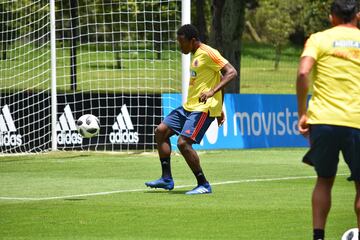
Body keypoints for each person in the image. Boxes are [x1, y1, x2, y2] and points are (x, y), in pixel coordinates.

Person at [145, 24, 237, 195]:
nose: (180, 46)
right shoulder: (195, 55)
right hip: (189, 106)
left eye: (182, 42)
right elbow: (216, 77)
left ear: (193, 40)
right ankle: (166, 179)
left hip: (202, 108)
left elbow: (231, 72)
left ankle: (203, 184)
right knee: (160, 131)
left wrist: (212, 95)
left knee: (183, 143)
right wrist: (220, 106)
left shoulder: (210, 53)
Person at [296, 0, 360, 239]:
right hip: (357, 120)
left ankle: (318, 236)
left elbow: (303, 72)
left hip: (323, 119)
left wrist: (302, 112)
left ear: (332, 16)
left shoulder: (318, 39)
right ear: (357, 16)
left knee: (324, 179)